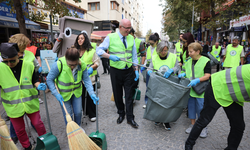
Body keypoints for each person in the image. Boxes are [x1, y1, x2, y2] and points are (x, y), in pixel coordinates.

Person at [185, 64, 250, 150]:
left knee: (238, 126)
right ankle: (188, 145)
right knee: (204, 120)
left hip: (233, 94)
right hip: (217, 86)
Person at [0, 43, 47, 150]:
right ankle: (27, 146)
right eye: (5, 61)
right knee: (19, 130)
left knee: (38, 124)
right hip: (13, 106)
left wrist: (39, 85)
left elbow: (34, 80)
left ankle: (45, 141)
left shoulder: (29, 65)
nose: (9, 64)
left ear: (18, 56)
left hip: (30, 102)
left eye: (12, 60)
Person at [96, 19, 139, 128]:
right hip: (116, 71)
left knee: (129, 95)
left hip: (129, 70)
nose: (129, 30)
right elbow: (99, 50)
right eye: (127, 28)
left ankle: (130, 118)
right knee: (117, 94)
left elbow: (134, 55)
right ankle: (121, 113)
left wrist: (136, 69)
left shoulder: (131, 38)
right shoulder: (110, 37)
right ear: (120, 27)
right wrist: (109, 56)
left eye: (130, 28)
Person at [46, 47, 99, 126]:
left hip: (77, 92)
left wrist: (91, 93)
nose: (72, 67)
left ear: (78, 60)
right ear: (66, 59)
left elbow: (87, 80)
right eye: (70, 65)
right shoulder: (58, 64)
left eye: (74, 65)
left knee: (78, 113)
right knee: (68, 115)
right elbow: (49, 79)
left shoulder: (82, 65)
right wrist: (55, 93)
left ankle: (78, 128)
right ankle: (71, 132)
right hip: (63, 94)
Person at [178, 42, 211, 138]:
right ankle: (192, 125)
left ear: (198, 51)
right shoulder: (188, 61)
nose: (189, 53)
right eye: (188, 51)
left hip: (201, 90)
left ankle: (203, 127)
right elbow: (184, 70)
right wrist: (183, 74)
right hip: (190, 90)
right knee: (191, 108)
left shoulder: (205, 61)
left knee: (201, 109)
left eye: (191, 51)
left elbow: (208, 75)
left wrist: (198, 80)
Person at [147, 40, 180, 130]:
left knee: (167, 102)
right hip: (158, 84)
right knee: (157, 101)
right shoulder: (154, 57)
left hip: (169, 84)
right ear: (158, 50)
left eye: (165, 50)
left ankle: (166, 121)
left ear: (168, 49)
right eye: (161, 51)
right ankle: (158, 118)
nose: (163, 52)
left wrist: (172, 70)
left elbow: (177, 67)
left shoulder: (173, 56)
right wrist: (149, 71)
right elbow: (150, 67)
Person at [74, 32, 100, 122]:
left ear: (85, 40)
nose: (80, 40)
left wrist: (92, 68)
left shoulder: (91, 51)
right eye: (78, 38)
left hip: (90, 77)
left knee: (90, 95)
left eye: (82, 38)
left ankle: (92, 113)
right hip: (78, 77)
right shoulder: (75, 51)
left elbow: (97, 62)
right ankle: (85, 112)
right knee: (80, 95)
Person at [142, 34, 159, 109]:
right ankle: (147, 102)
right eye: (149, 43)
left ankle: (155, 103)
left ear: (157, 42)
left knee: (156, 87)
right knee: (148, 87)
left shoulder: (159, 49)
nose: (151, 45)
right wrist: (144, 65)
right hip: (148, 70)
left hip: (156, 71)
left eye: (152, 43)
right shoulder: (149, 48)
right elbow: (147, 58)